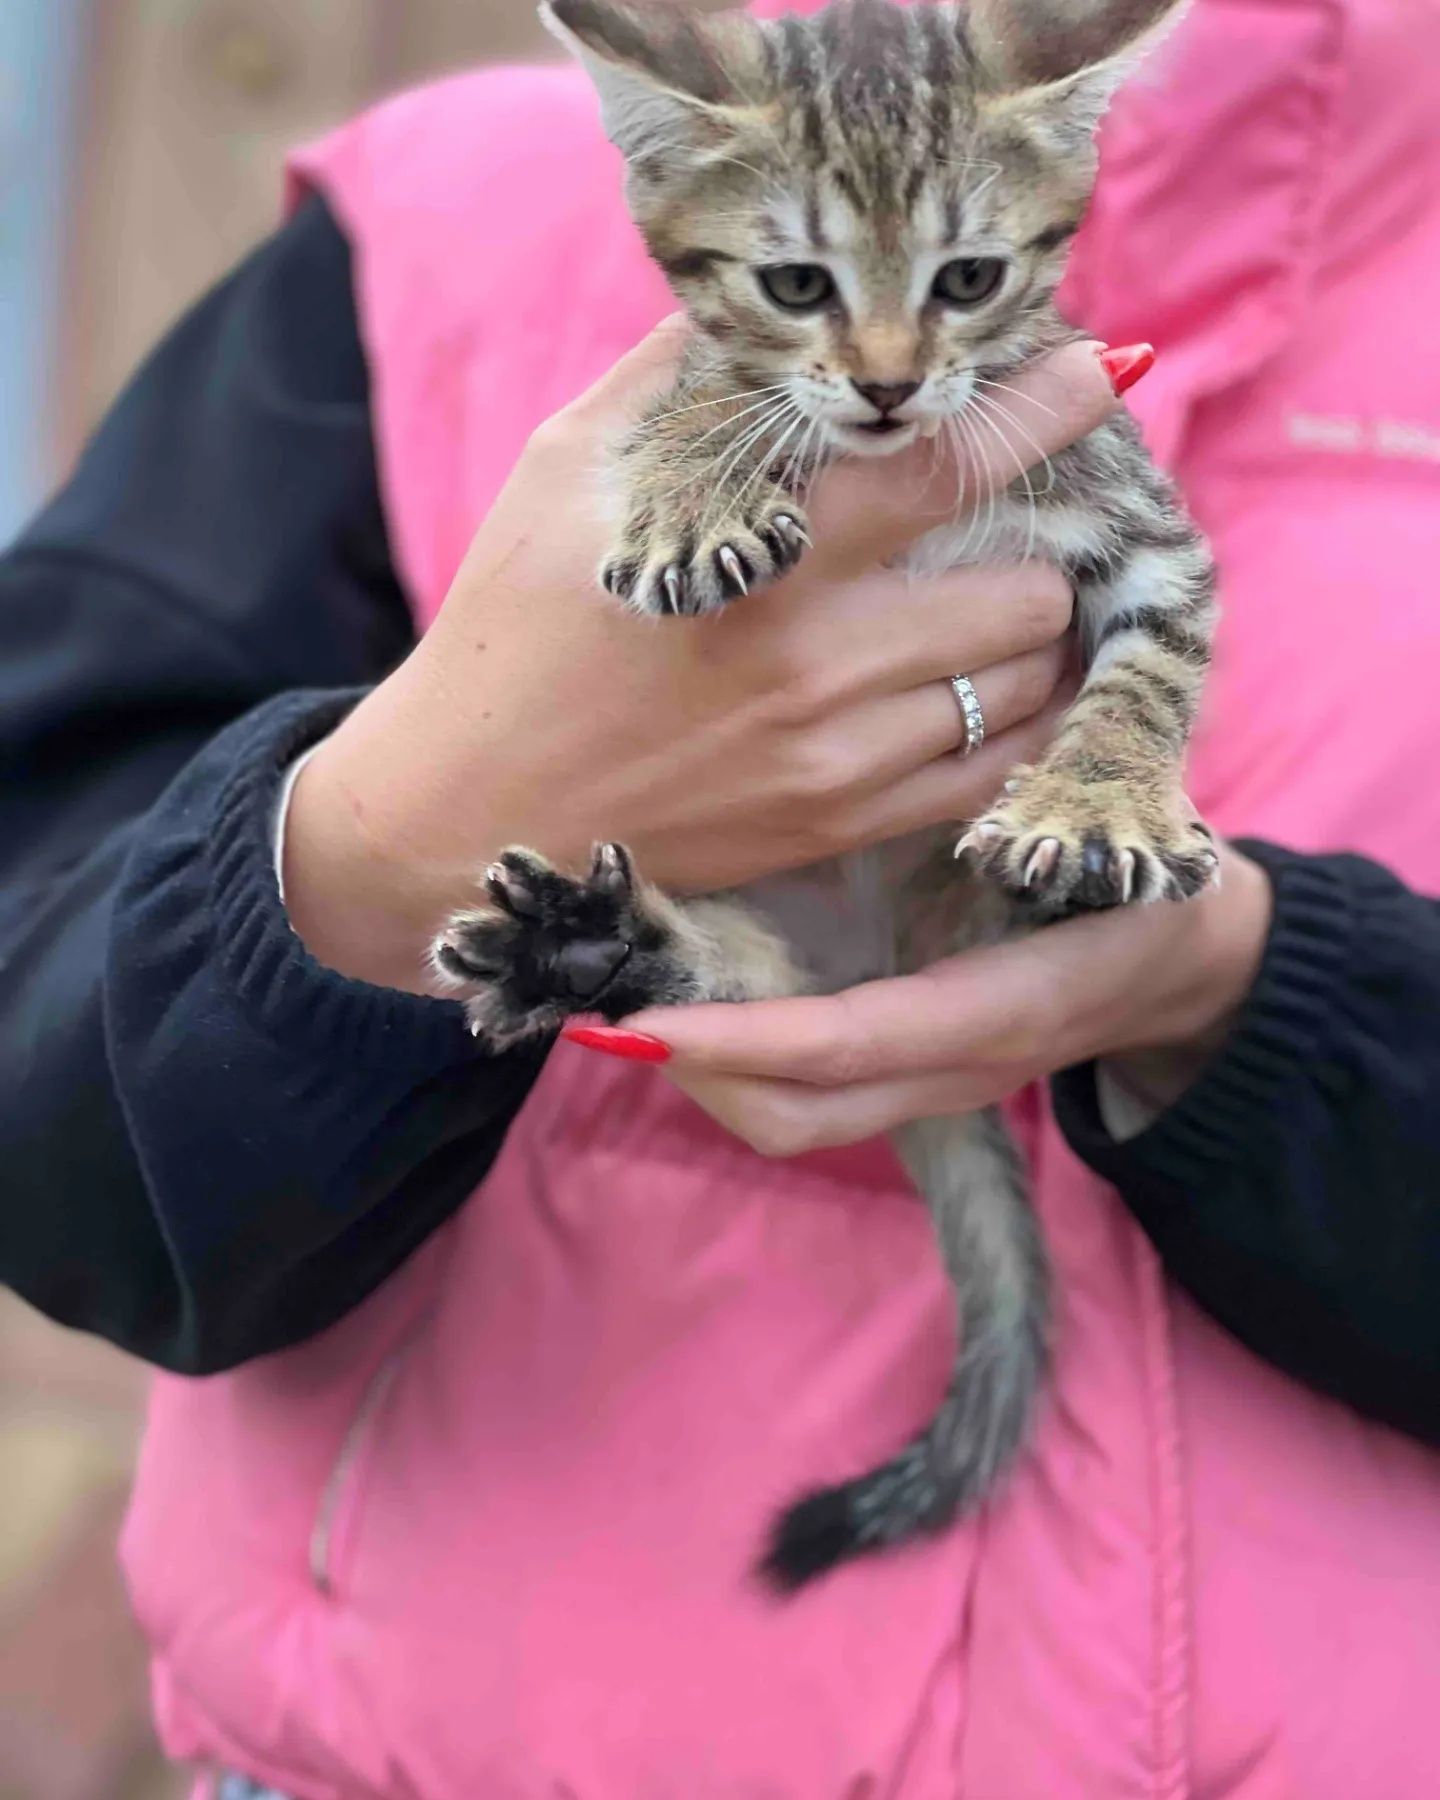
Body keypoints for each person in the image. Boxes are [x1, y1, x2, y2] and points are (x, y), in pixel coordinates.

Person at [3, 0, 1440, 1792]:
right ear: (664, 169)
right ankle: (667, 955)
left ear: (1069, 156)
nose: (899, 366)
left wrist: (1247, 981)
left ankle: (672, 949)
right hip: (458, 1714)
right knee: (688, 900)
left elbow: (1146, 606)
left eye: (970, 283)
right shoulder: (428, 233)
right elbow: (47, 1100)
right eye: (809, 293)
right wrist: (389, 836)